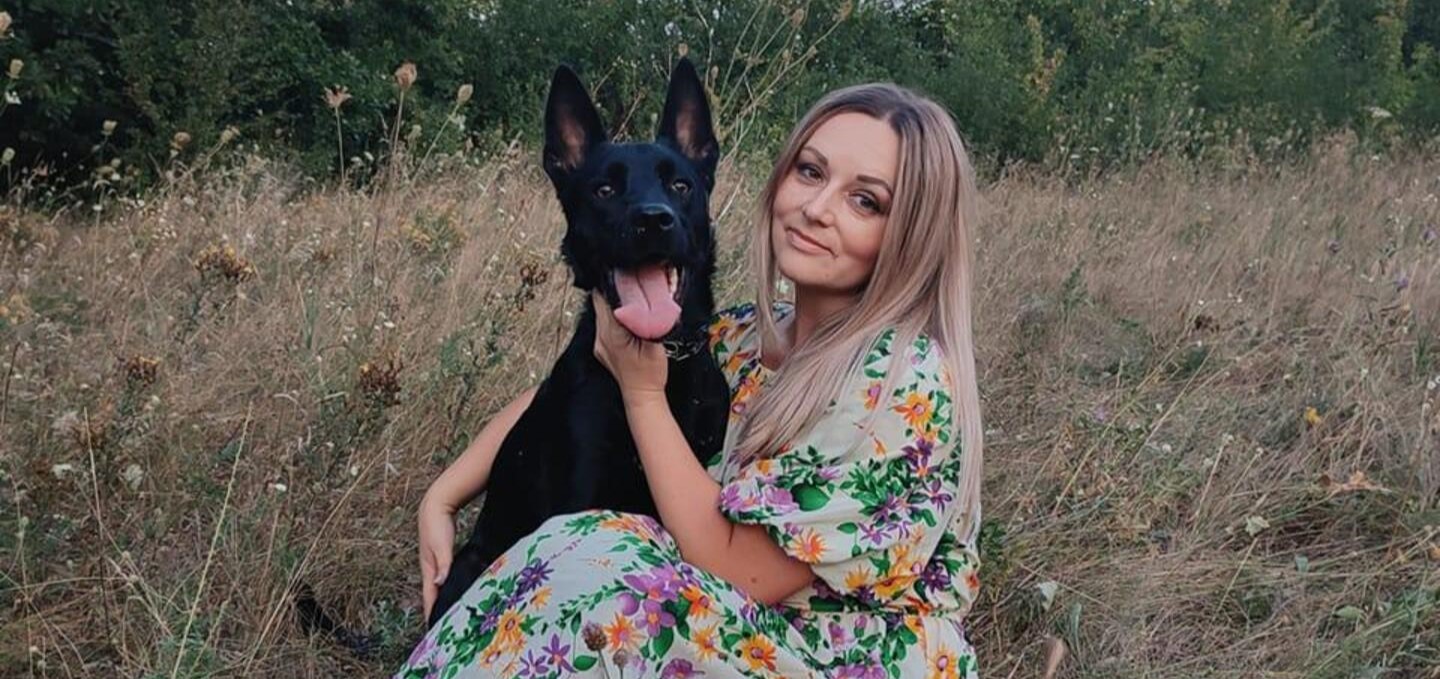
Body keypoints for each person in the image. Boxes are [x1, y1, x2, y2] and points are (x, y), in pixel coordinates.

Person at [401, 82, 986, 679]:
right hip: (727, 624)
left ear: (912, 233)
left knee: (591, 557)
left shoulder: (902, 382)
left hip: (827, 656)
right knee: (580, 555)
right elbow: (569, 384)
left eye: (866, 201)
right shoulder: (742, 337)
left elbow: (739, 573)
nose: (817, 208)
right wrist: (443, 496)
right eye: (810, 172)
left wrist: (643, 396)